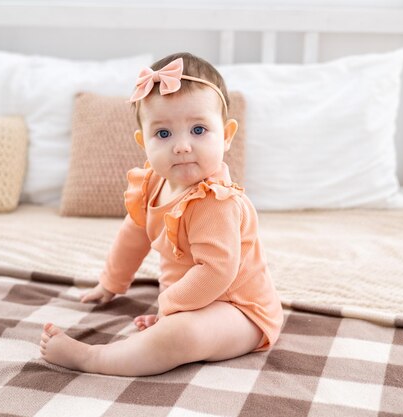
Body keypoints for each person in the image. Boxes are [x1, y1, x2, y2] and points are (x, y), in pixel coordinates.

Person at [40, 52, 284, 376]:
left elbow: (215, 272)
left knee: (182, 335)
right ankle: (166, 328)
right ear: (144, 142)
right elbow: (134, 234)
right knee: (180, 327)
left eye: (198, 129)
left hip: (241, 312)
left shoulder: (216, 202)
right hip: (192, 299)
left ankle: (92, 358)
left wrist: (167, 308)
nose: (182, 145)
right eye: (164, 134)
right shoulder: (153, 184)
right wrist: (111, 283)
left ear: (226, 136)